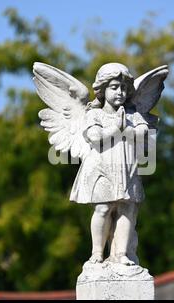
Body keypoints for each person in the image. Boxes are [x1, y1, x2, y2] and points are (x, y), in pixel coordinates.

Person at [69, 63, 150, 265]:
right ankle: (97, 252)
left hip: (127, 168)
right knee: (103, 208)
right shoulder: (94, 114)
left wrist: (127, 129)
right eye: (114, 87)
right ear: (102, 90)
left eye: (123, 88)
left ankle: (121, 253)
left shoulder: (132, 114)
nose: (120, 92)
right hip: (101, 169)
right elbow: (95, 137)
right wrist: (116, 128)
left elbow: (144, 133)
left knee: (127, 209)